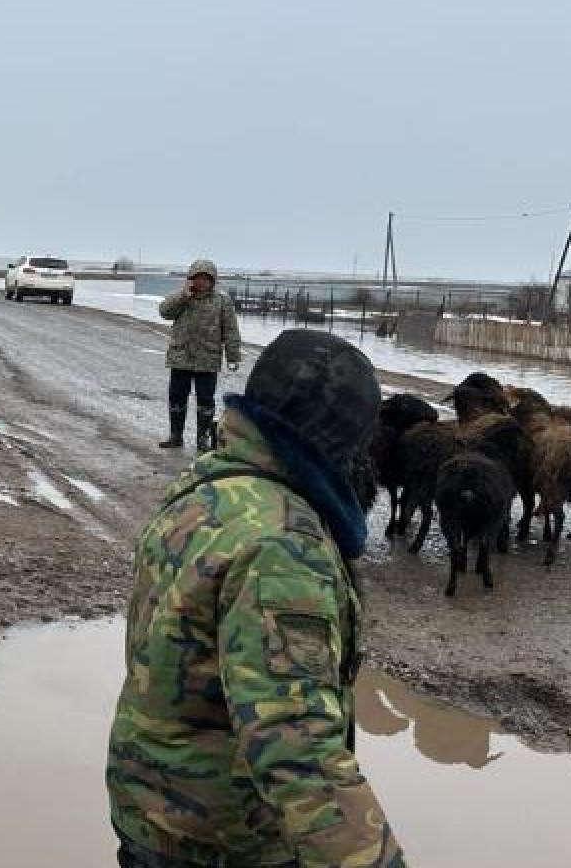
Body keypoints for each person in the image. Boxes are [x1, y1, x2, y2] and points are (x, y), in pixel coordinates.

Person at [107, 329, 406, 868]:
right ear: (341, 443)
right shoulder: (284, 547)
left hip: (153, 809)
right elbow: (295, 743)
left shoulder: (205, 491)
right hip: (225, 840)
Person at [158, 258, 242, 450]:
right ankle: (175, 436)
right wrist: (183, 296)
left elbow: (230, 330)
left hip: (208, 360)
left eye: (206, 278)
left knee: (205, 400)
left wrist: (233, 356)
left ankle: (202, 439)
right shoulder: (182, 298)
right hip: (181, 358)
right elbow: (164, 312)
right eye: (198, 278)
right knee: (177, 397)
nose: (202, 282)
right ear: (190, 279)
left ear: (213, 280)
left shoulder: (222, 301)